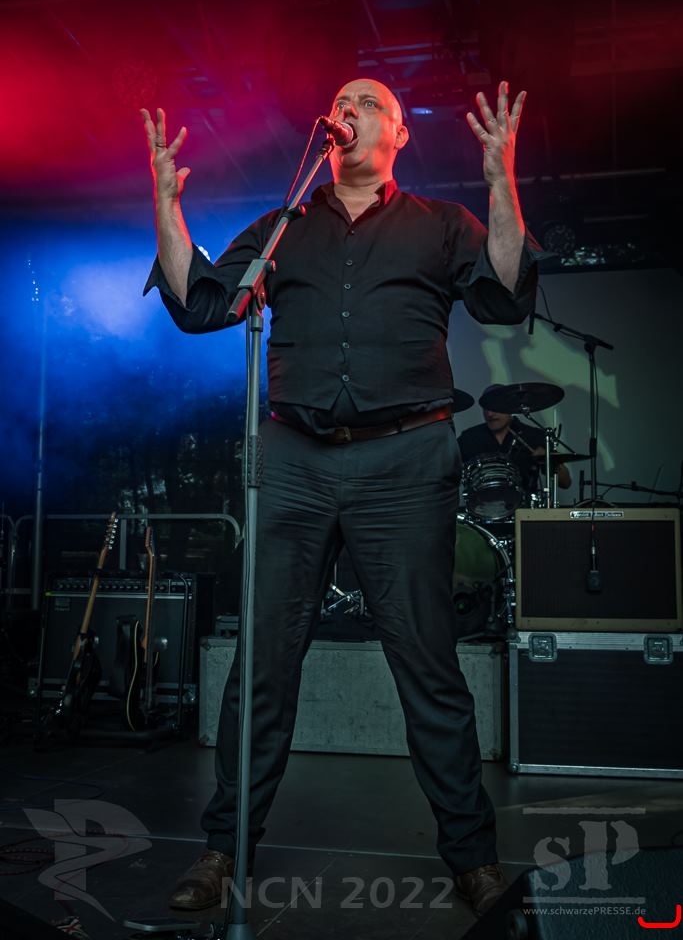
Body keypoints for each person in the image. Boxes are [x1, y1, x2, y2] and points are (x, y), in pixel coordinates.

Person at [141, 77, 541, 919]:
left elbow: (505, 297)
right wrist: (167, 205)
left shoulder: (440, 224)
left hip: (405, 458)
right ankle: (223, 849)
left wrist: (499, 178)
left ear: (398, 133)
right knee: (262, 663)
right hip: (294, 455)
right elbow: (201, 305)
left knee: (427, 665)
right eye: (342, 100)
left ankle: (471, 857)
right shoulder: (286, 224)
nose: (350, 109)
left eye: (369, 101)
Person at [458, 386, 572, 509]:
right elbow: (447, 472)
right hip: (480, 510)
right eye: (486, 408)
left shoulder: (533, 436)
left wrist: (548, 460)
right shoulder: (469, 437)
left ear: (511, 407)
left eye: (496, 408)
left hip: (525, 511)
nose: (490, 414)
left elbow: (565, 482)